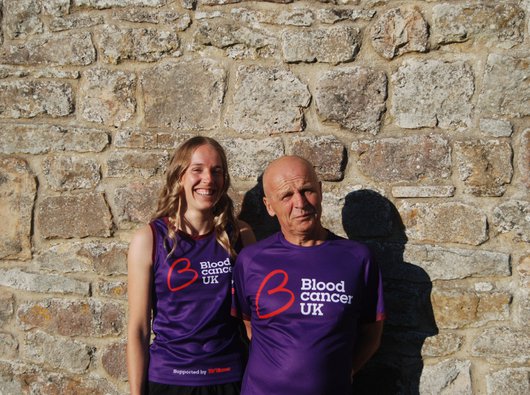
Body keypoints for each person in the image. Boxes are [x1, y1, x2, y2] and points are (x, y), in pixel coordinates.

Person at [231, 155, 385, 395]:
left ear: (321, 191)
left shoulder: (357, 259)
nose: (300, 203)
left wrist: (343, 373)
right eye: (286, 196)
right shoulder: (251, 260)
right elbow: (248, 324)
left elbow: (371, 334)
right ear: (269, 206)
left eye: (307, 190)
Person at [127, 136, 256, 395]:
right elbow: (138, 328)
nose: (208, 179)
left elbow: (255, 319)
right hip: (169, 379)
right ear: (179, 177)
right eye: (197, 170)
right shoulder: (149, 239)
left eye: (216, 171)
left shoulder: (241, 235)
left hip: (229, 377)